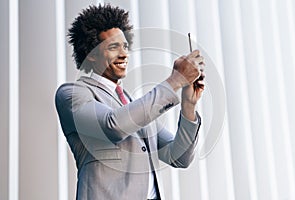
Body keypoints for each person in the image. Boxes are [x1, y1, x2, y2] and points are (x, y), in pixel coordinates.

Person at [55, 3, 205, 200]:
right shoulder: (72, 94)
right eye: (113, 47)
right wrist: (175, 80)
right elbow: (113, 125)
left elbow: (179, 157)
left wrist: (188, 106)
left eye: (125, 46)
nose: (124, 53)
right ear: (91, 55)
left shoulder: (132, 103)